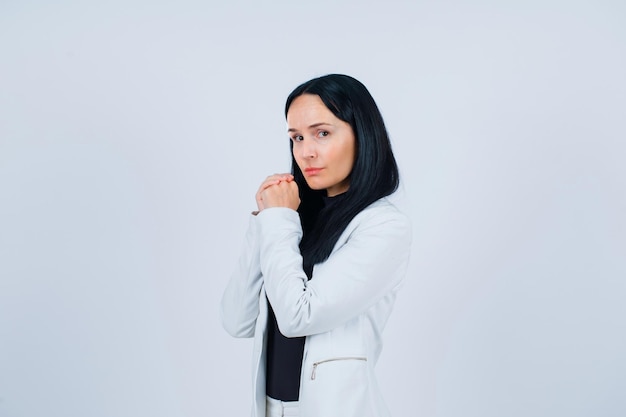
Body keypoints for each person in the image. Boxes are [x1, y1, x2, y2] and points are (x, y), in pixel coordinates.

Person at [220, 74, 411, 417]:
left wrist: (278, 220)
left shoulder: (383, 226)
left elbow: (299, 316)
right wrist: (265, 219)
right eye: (296, 137)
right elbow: (237, 319)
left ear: (362, 135)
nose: (306, 152)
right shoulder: (293, 219)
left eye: (322, 133)